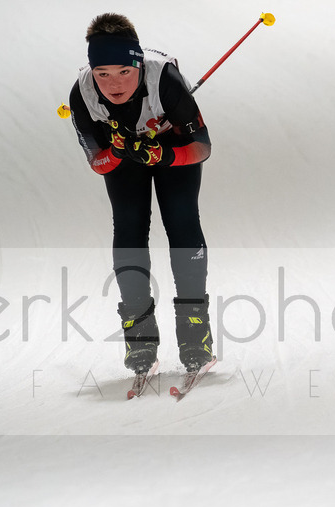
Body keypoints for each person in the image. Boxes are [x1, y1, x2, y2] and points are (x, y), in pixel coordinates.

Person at [68, 13, 214, 375]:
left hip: (173, 150)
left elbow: (202, 145)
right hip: (125, 156)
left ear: (138, 64)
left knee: (181, 222)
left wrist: (164, 154)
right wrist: (117, 151)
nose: (113, 83)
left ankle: (196, 339)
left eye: (123, 72)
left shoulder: (165, 80)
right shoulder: (82, 94)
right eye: (102, 73)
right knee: (129, 230)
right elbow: (96, 162)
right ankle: (140, 343)